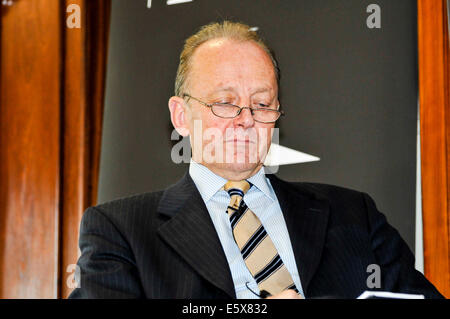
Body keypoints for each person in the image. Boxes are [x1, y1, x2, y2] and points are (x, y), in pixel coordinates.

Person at [69, 21, 443, 299]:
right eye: (226, 102)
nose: (246, 119)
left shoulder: (352, 214)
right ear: (181, 116)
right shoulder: (120, 231)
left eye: (262, 104)